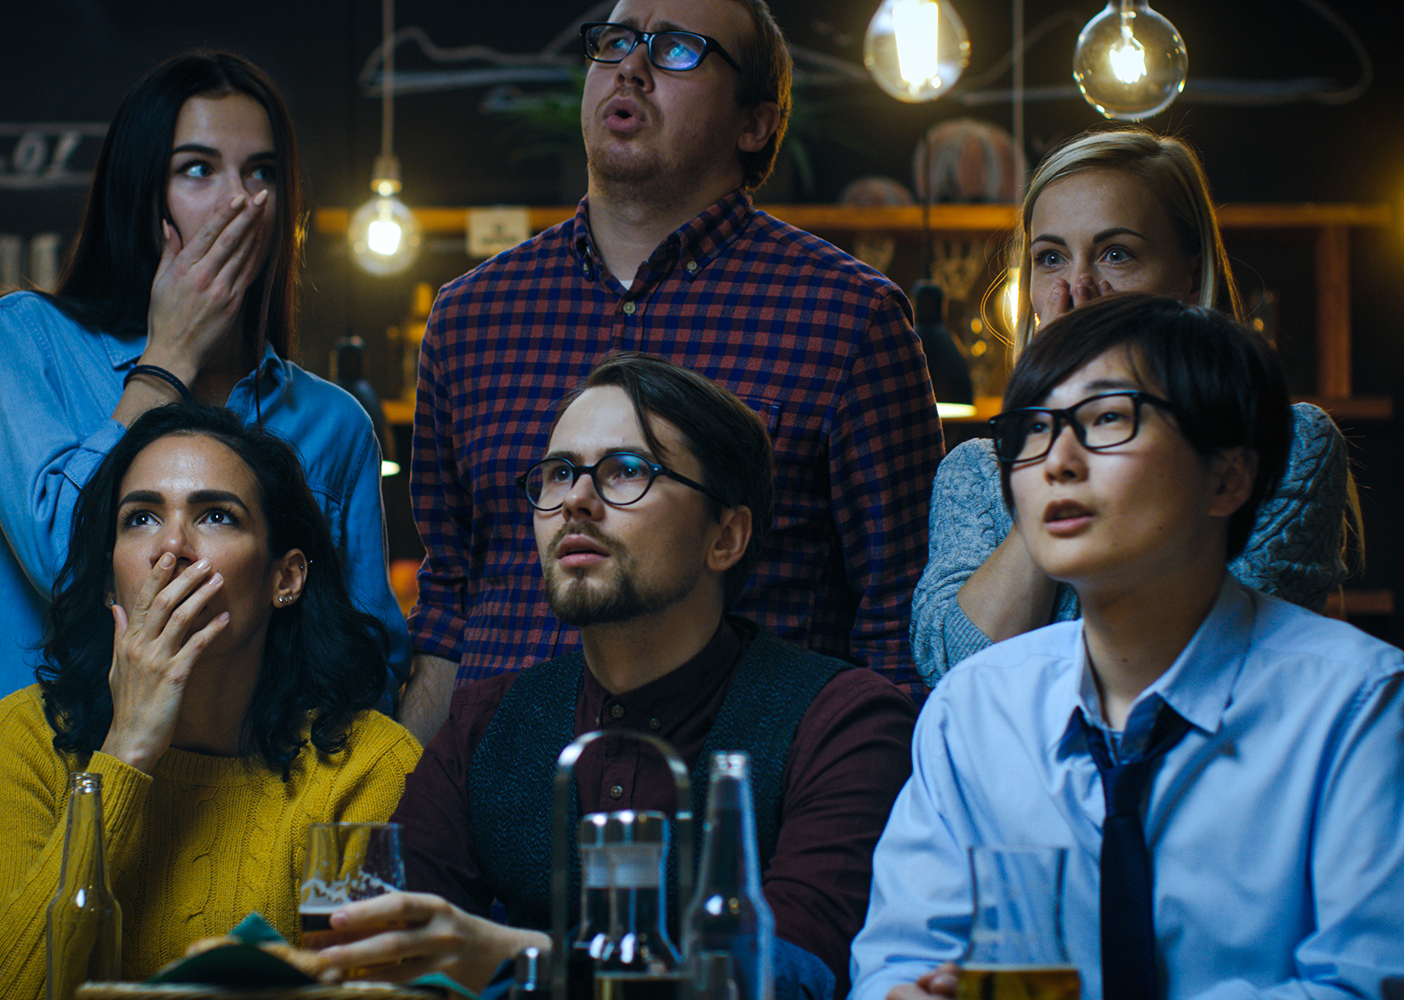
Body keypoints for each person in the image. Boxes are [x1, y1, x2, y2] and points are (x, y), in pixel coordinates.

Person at [399, 0, 944, 741]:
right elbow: (449, 605)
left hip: (743, 810)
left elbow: (898, 622)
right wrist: (413, 811)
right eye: (615, 41)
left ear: (755, 121)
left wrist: (850, 824)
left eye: (679, 48)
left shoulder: (849, 317)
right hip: (494, 810)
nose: (631, 66)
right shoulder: (470, 317)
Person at [0, 50, 409, 903]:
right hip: (41, 838)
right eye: (198, 169)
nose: (239, 201)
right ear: (141, 193)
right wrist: (167, 358)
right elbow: (68, 561)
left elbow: (361, 664)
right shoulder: (25, 342)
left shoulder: (332, 423)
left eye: (261, 173)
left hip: (248, 872)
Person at [850, 294, 1403, 1000]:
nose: (1057, 462)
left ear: (1228, 476)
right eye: (1033, 430)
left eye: (1108, 419)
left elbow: (1365, 984)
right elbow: (895, 961)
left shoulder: (1358, 705)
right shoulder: (978, 708)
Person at [313, 354, 917, 998]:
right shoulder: (487, 723)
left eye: (626, 471)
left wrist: (525, 959)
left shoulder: (844, 723)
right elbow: (393, 955)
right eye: (557, 474)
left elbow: (791, 976)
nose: (575, 500)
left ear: (727, 536)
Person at [0, 404, 421, 997]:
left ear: (286, 579)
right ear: (107, 580)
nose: (171, 548)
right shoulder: (27, 736)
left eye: (217, 516)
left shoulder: (366, 766)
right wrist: (125, 752)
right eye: (142, 517)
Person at [911, 127, 1351, 686]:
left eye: (1115, 254)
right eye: (1050, 258)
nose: (1077, 290)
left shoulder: (1285, 444)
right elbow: (962, 676)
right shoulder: (976, 470)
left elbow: (1206, 656)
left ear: (1191, 273)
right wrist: (1048, 445)